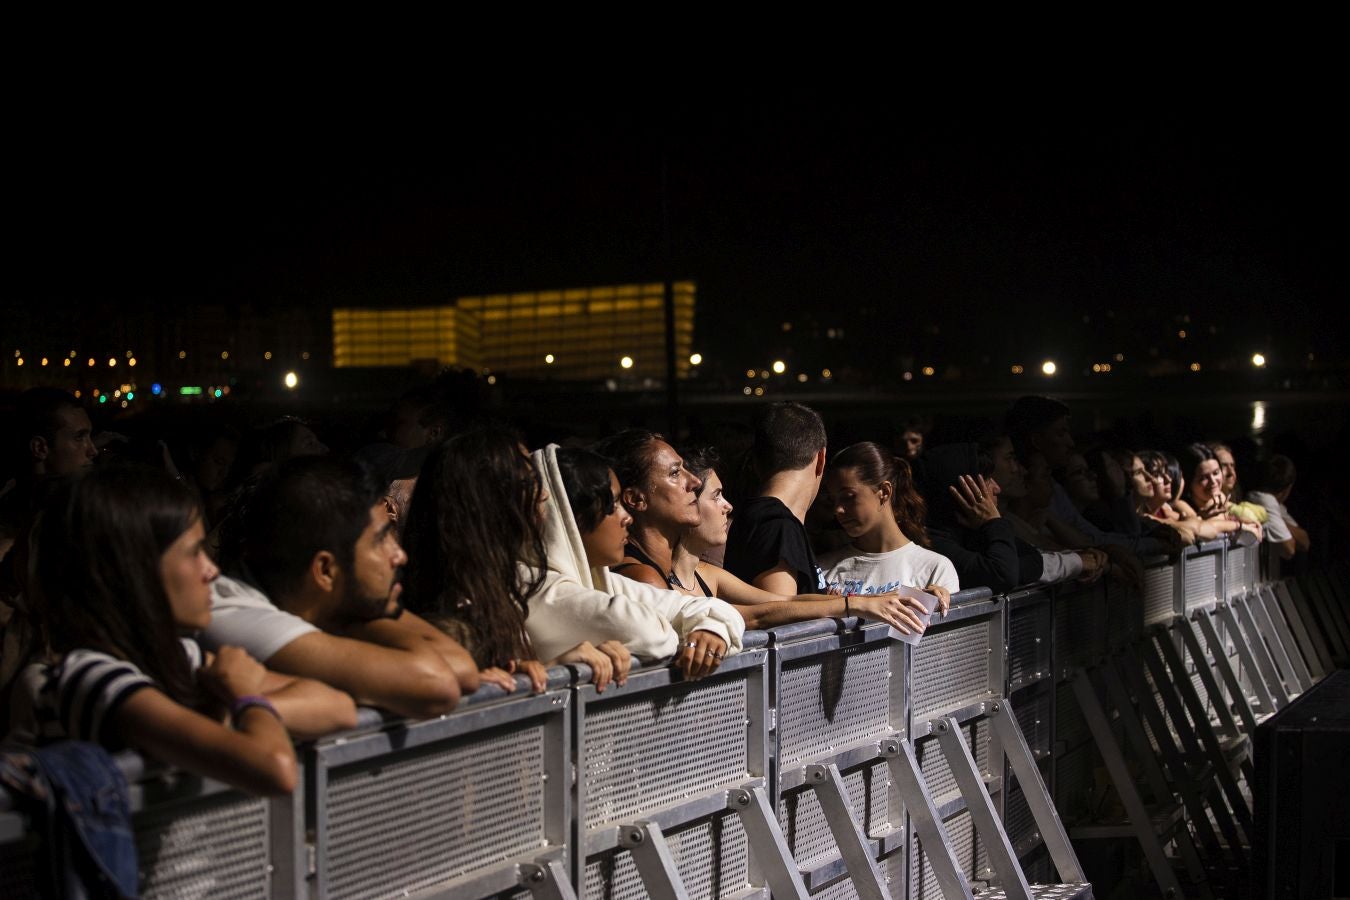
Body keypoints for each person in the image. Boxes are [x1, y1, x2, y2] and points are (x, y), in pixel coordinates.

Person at [12, 465, 356, 795]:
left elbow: (338, 706)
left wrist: (221, 716)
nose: (212, 571)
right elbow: (276, 768)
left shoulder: (177, 656)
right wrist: (243, 697)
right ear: (137, 571)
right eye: (194, 553)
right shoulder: (90, 678)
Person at [205, 456, 478, 719]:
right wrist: (348, 616)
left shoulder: (313, 600)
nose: (399, 555)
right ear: (325, 571)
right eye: (380, 540)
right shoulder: (235, 613)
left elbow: (462, 670)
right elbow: (436, 686)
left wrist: (343, 614)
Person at [403, 428, 632, 693]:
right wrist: (547, 673)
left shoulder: (494, 587)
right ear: (488, 499)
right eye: (526, 482)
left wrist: (546, 670)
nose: (543, 495)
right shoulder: (449, 610)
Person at [649, 446, 933, 632]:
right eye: (716, 496)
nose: (728, 505)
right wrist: (854, 605)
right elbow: (757, 616)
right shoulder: (651, 579)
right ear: (689, 504)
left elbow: (787, 600)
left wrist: (888, 598)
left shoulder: (707, 573)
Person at [532, 445, 745, 680]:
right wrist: (692, 633)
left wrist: (711, 628)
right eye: (612, 504)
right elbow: (651, 637)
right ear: (570, 518)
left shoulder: (602, 581)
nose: (626, 517)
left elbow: (720, 610)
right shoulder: (539, 588)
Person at [1006, 395, 1178, 557]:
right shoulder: (1022, 493)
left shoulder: (1053, 488)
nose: (1070, 442)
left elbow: (1092, 538)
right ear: (1036, 440)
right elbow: (1087, 543)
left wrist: (1150, 539)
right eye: (1060, 433)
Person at [816, 442, 958, 601]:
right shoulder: (822, 568)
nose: (838, 509)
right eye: (832, 500)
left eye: (848, 497)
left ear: (884, 492)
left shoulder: (933, 569)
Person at [724, 402, 829, 595]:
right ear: (821, 458)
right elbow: (782, 617)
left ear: (756, 463)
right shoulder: (777, 525)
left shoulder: (757, 518)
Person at [1177, 443, 1263, 541]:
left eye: (1216, 473)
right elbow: (1201, 528)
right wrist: (1239, 525)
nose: (1213, 481)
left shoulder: (1220, 497)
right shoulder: (1182, 505)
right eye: (1204, 478)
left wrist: (1247, 522)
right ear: (1189, 481)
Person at [1246, 455, 1310, 561]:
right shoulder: (1264, 500)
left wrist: (1280, 521)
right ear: (1287, 488)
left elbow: (1305, 542)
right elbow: (1289, 550)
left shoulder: (1275, 504)